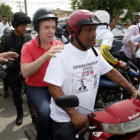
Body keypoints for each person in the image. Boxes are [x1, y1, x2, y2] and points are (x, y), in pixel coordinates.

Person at [43, 10, 137, 140]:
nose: (94, 34)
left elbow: (111, 72)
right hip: (65, 119)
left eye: (94, 29)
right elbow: (53, 88)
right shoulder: (61, 55)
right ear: (74, 32)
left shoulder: (93, 52)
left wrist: (132, 89)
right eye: (88, 30)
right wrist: (73, 113)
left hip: (87, 116)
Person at [20, 8, 64, 140]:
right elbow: (25, 72)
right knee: (46, 112)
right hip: (37, 88)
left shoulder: (59, 44)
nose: (51, 31)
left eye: (53, 27)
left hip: (56, 85)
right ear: (37, 28)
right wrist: (45, 56)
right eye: (46, 27)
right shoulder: (27, 46)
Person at [0, 12, 31, 125]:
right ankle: (19, 114)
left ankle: (33, 115)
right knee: (17, 95)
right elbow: (1, 55)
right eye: (21, 25)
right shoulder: (5, 39)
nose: (24, 27)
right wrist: (7, 64)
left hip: (26, 71)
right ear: (14, 26)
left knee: (30, 94)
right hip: (13, 72)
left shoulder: (28, 38)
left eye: (25, 25)